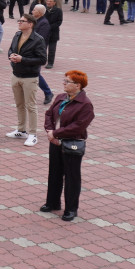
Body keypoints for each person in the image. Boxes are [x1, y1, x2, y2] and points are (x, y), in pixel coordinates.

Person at [41, 70, 94, 222]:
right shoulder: (60, 97)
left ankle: (71, 209)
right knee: (55, 173)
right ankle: (52, 202)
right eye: (64, 80)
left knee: (72, 177)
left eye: (67, 81)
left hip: (71, 144)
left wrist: (56, 134)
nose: (63, 83)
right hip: (55, 141)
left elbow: (78, 126)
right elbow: (49, 114)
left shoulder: (85, 104)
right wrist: (50, 130)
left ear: (77, 85)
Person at [6, 13, 47, 147]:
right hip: (16, 74)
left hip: (30, 77)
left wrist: (22, 59)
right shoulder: (17, 35)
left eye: (22, 21)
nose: (19, 22)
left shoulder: (38, 39)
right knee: (19, 104)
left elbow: (42, 59)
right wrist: (11, 55)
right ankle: (21, 129)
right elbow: (11, 49)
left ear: (30, 24)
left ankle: (33, 134)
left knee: (31, 105)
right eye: (19, 20)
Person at [44, 0, 62, 69]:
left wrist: (49, 27)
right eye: (47, 1)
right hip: (44, 32)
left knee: (52, 49)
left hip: (53, 32)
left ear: (54, 3)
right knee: (42, 47)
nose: (48, 2)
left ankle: (50, 62)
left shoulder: (58, 11)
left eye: (50, 1)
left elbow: (59, 22)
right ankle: (42, 60)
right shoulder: (43, 9)